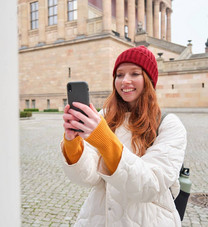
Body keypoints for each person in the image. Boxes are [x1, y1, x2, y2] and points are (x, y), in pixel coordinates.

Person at [60, 46, 187, 226]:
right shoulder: (104, 116)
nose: (125, 81)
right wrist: (73, 144)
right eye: (119, 75)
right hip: (100, 216)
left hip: (149, 219)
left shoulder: (169, 124)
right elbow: (89, 177)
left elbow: (151, 186)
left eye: (135, 73)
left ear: (149, 79)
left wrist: (105, 140)